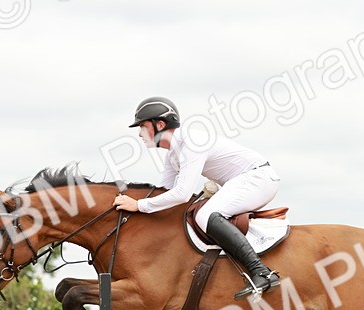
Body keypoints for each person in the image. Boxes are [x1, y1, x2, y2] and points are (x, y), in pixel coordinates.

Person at [113, 96, 281, 299]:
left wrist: (139, 205)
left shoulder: (192, 142)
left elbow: (182, 194)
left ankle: (261, 271)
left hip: (258, 179)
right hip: (244, 181)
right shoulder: (172, 155)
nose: (140, 134)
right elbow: (165, 192)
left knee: (205, 215)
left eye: (142, 127)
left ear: (160, 124)